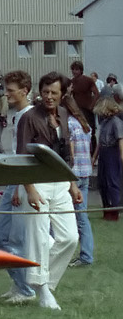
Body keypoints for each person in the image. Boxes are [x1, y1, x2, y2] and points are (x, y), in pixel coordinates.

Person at [17, 71, 82, 310]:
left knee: (69, 238)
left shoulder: (64, 115)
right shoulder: (29, 118)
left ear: (62, 94)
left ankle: (43, 281)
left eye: (54, 92)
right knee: (39, 239)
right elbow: (21, 157)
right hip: (37, 184)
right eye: (45, 92)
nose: (49, 96)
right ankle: (43, 290)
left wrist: (73, 184)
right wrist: (29, 190)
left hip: (60, 183)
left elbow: (66, 155)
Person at [0, 70, 37, 303]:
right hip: (14, 180)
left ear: (24, 91)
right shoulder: (17, 115)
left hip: (21, 182)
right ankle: (20, 283)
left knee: (14, 239)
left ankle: (26, 289)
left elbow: (26, 156)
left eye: (10, 90)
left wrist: (20, 186)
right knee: (0, 236)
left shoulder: (28, 116)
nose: (6, 94)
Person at [66, 103, 94, 266]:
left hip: (74, 174)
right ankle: (86, 255)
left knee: (70, 216)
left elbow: (71, 152)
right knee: (82, 216)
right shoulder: (85, 125)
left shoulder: (68, 125)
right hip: (86, 171)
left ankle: (85, 256)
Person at [96, 96, 122, 222]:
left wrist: (121, 156)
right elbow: (100, 143)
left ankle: (114, 210)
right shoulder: (104, 122)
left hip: (112, 151)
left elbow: (120, 139)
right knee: (102, 182)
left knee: (112, 181)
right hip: (104, 152)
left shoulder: (116, 122)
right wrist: (94, 157)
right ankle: (106, 208)